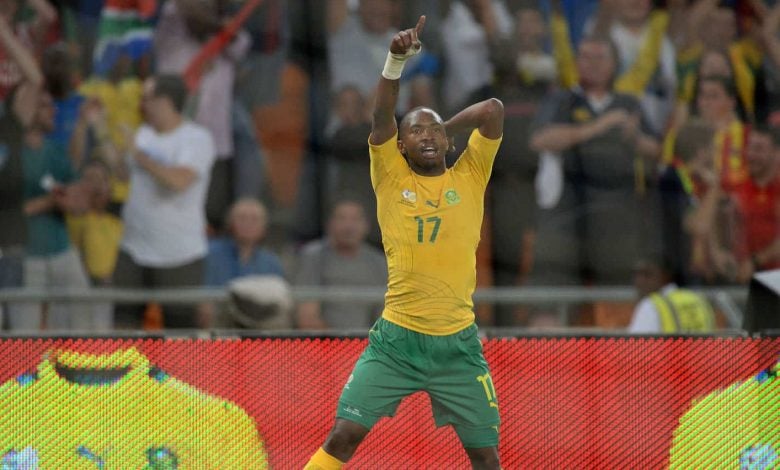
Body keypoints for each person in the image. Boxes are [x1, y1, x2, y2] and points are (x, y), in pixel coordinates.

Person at [305, 16, 505, 469]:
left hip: (458, 346)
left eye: (434, 131)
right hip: (396, 341)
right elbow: (381, 117)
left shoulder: (470, 174)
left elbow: (493, 109)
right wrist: (395, 60)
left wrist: (446, 125)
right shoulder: (390, 177)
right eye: (416, 130)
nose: (427, 135)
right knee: (344, 435)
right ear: (399, 147)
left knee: (486, 458)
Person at [113, 74, 216, 329]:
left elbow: (178, 182)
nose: (142, 105)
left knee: (179, 336)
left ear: (166, 101)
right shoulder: (143, 134)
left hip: (178, 255)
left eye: (147, 98)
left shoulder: (196, 139)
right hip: (133, 250)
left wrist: (138, 155)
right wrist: (101, 133)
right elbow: (124, 176)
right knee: (123, 330)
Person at [294, 199, 386, 330]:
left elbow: (385, 318)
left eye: (355, 219)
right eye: (341, 218)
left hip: (368, 343)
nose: (348, 226)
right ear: (330, 224)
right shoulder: (312, 257)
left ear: (367, 225)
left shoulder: (379, 261)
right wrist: (340, 345)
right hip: (323, 344)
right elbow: (307, 317)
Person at [200, 197, 285, 328]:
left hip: (259, 328)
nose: (248, 224)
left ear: (264, 227)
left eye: (255, 219)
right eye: (242, 218)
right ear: (230, 223)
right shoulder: (209, 254)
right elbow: (204, 302)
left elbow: (277, 306)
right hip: (220, 328)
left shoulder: (272, 262)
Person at [627, 256, 716, 333]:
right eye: (636, 275)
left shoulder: (651, 304)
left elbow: (636, 347)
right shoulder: (698, 299)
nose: (639, 281)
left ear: (665, 275)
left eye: (647, 274)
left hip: (670, 353)